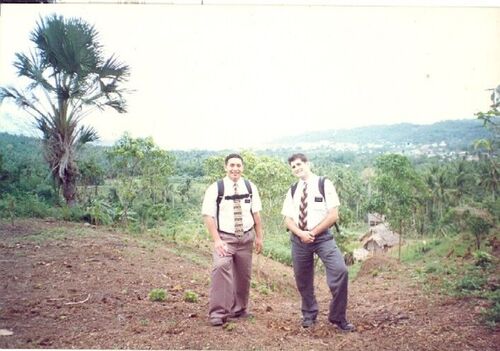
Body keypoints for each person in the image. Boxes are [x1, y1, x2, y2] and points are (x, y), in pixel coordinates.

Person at [281, 153, 355, 332]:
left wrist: (312, 233)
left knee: (340, 271)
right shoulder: (293, 190)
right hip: (299, 239)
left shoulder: (324, 184)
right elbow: (288, 220)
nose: (297, 168)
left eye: (299, 164)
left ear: (307, 164)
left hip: (322, 237)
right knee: (303, 279)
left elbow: (333, 215)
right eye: (293, 167)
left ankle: (338, 317)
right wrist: (301, 234)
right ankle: (309, 314)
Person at [201, 153, 264, 327]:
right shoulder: (216, 188)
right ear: (225, 167)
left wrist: (259, 237)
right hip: (225, 238)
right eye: (232, 165)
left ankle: (240, 309)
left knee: (243, 275)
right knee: (221, 267)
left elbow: (256, 214)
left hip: (246, 238)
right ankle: (218, 313)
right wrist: (217, 240)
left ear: (242, 168)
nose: (235, 168)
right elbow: (208, 216)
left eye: (238, 165)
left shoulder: (250, 187)